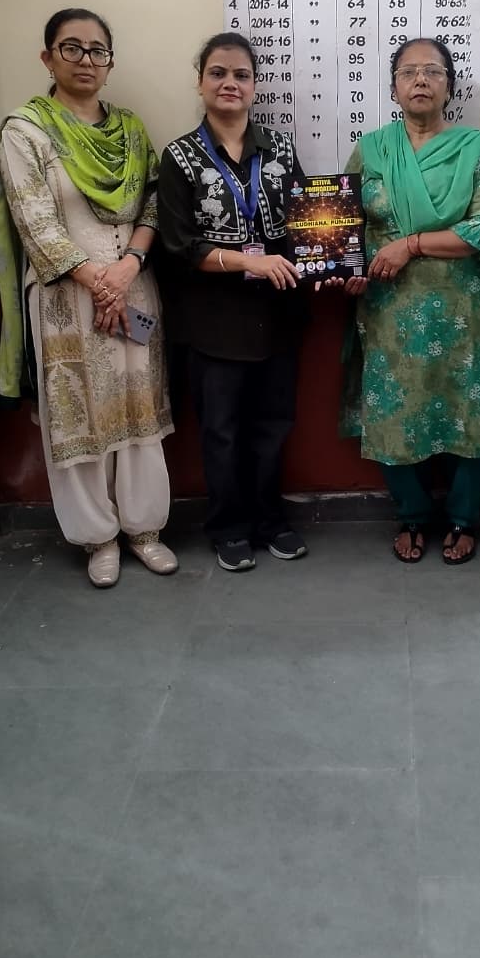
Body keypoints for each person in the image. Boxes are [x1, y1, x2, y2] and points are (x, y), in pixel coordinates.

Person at [0, 8, 177, 588]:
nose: (86, 60)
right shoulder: (25, 131)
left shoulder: (131, 131)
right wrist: (98, 282)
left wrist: (126, 270)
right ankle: (98, 537)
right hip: (65, 301)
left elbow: (154, 204)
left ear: (110, 62)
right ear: (47, 58)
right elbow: (34, 220)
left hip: (134, 287)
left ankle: (145, 530)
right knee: (79, 412)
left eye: (98, 50)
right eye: (71, 48)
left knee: (139, 406)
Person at [340, 38, 480, 563]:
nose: (420, 80)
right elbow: (343, 224)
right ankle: (411, 514)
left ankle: (463, 518)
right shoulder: (371, 150)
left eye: (432, 71)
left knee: (470, 408)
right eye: (408, 72)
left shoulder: (478, 148)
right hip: (389, 308)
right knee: (393, 409)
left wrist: (409, 244)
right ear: (393, 87)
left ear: (449, 86)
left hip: (464, 309)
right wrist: (349, 271)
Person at [156, 32, 308, 572]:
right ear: (200, 82)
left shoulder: (280, 149)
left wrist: (330, 261)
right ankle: (227, 526)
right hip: (213, 320)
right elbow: (178, 245)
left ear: (254, 86)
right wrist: (249, 260)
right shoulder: (179, 157)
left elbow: (306, 224)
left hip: (278, 315)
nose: (230, 83)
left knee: (273, 425)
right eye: (218, 73)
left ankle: (270, 521)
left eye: (241, 75)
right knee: (220, 431)